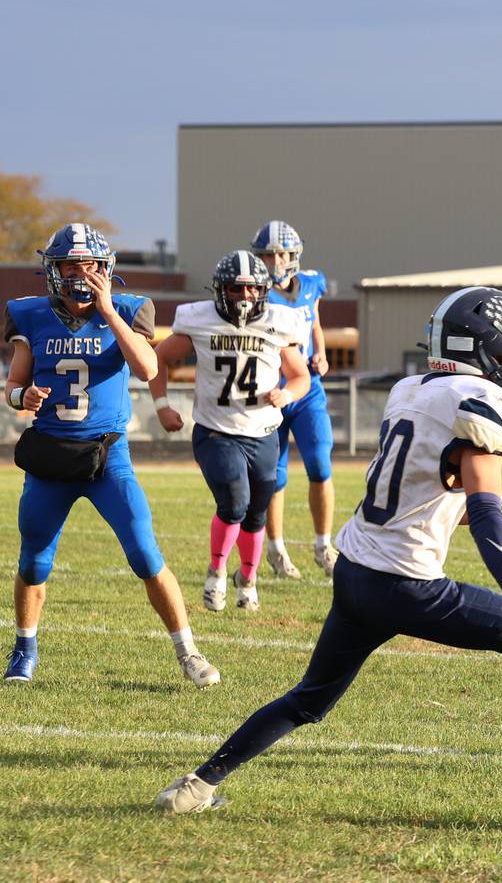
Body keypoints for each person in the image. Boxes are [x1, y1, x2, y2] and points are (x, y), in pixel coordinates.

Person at [155, 286, 502, 822]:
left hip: (357, 572)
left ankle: (197, 784)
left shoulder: (411, 390)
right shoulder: (478, 404)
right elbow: (482, 512)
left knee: (309, 699)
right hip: (406, 585)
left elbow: (417, 493)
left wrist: (478, 507)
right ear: (489, 349)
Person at [3, 223, 220, 688]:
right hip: (52, 460)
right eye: (71, 264)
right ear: (54, 269)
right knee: (34, 561)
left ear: (106, 269)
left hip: (108, 459)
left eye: (91, 264)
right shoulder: (31, 315)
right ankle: (24, 649)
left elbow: (147, 367)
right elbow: (12, 387)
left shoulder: (128, 308)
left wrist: (106, 311)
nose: (82, 272)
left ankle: (188, 650)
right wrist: (25, 398)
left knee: (145, 553)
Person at [150, 251, 310, 613]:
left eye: (253, 289)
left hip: (264, 431)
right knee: (235, 502)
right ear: (221, 290)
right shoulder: (199, 319)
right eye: (237, 289)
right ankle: (217, 571)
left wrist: (286, 393)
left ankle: (248, 579)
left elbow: (301, 376)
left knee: (256, 513)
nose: (245, 297)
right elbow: (157, 357)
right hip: (217, 431)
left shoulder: (278, 321)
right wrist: (161, 406)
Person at [250, 221, 338, 581]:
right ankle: (277, 549)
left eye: (281, 253)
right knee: (275, 475)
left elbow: (314, 321)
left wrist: (322, 354)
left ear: (294, 255)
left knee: (320, 464)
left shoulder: (312, 283)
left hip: (307, 389)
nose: (275, 260)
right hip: (270, 392)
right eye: (268, 254)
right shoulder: (253, 291)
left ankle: (323, 545)